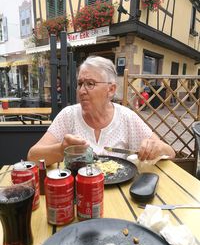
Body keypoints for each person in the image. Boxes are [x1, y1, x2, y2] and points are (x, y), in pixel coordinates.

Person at [27, 56, 175, 166]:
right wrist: (61, 149)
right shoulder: (69, 115)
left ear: (111, 90)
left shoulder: (126, 117)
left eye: (90, 84)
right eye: (80, 84)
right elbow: (32, 156)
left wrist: (158, 148)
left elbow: (170, 153)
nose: (82, 91)